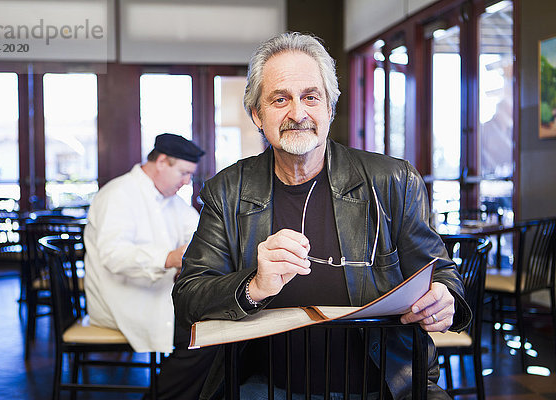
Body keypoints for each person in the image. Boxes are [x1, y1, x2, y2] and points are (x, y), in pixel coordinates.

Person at [172, 32, 472, 400]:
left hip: (384, 385)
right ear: (257, 114)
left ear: (329, 108)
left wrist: (445, 296)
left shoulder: (392, 181)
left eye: (311, 97)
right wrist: (254, 287)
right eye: (280, 99)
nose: (297, 113)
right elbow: (188, 298)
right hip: (264, 387)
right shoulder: (227, 190)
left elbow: (439, 271)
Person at [84, 133, 215, 400]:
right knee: (205, 337)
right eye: (183, 173)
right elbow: (113, 255)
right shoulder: (118, 194)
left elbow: (199, 234)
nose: (187, 181)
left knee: (215, 329)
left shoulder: (168, 199)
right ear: (162, 162)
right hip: (121, 300)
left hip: (153, 293)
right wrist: (169, 258)